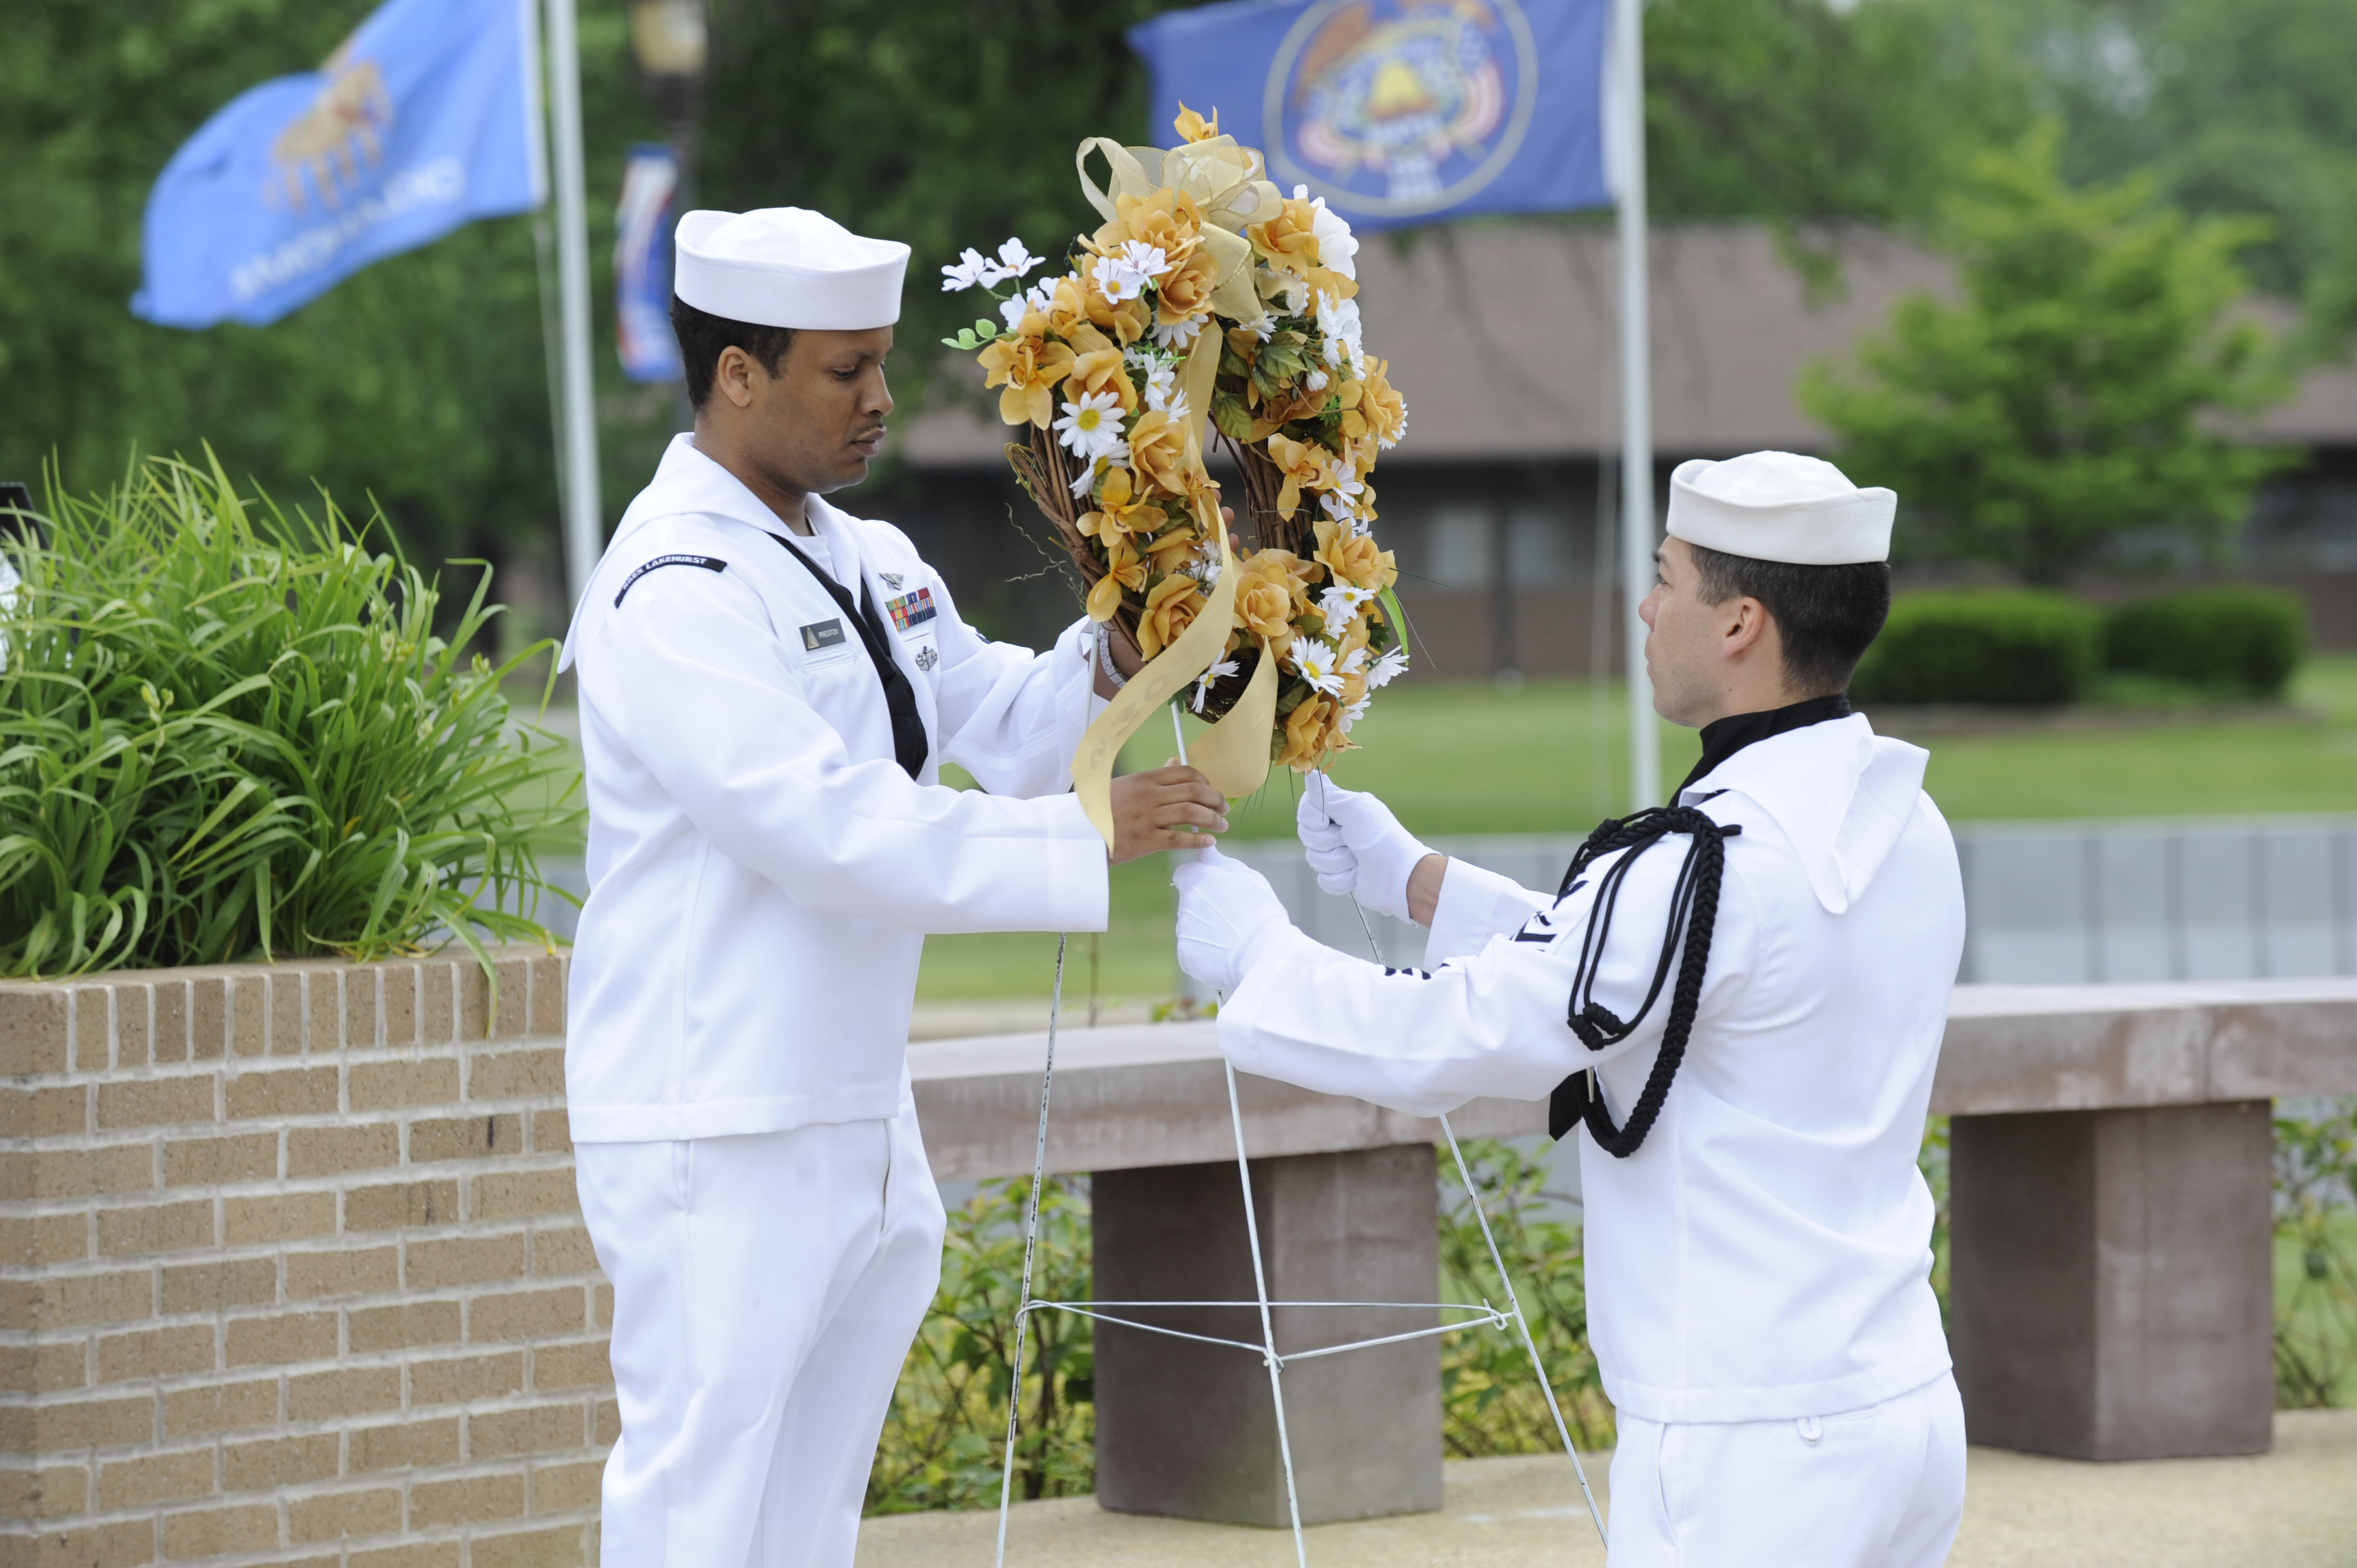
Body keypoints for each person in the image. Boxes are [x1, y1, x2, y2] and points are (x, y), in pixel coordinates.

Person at [557, 206, 1228, 1567]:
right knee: (700, 1510)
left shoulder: (863, 555)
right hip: (719, 1116)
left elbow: (1007, 727)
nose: (880, 401)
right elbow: (819, 823)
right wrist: (1085, 836)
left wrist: (1127, 640)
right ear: (737, 374)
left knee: (808, 1526)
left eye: (878, 365)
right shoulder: (670, 586)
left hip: (856, 1108)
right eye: (844, 370)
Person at [1172, 451, 1968, 1568]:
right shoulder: (1892, 813)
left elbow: (1457, 1038)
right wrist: (1422, 888)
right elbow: (1679, 982)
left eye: (1667, 578)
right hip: (1898, 1405)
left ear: (1739, 623)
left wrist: (1259, 959)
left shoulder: (1705, 862)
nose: (1646, 609)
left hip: (1750, 1451)